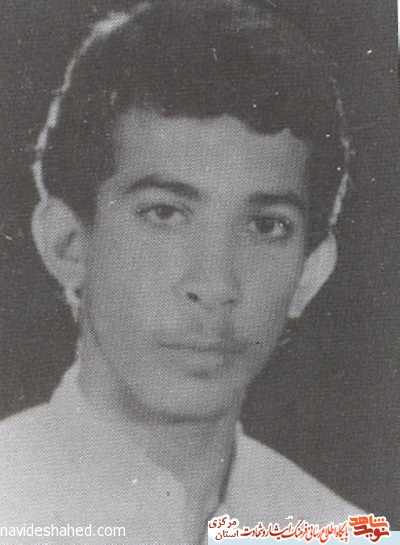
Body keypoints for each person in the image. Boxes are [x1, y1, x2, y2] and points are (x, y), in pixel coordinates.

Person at [0, 1, 359, 543]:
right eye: (163, 214)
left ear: (309, 272)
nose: (215, 286)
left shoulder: (345, 533)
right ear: (68, 243)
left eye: (266, 225)